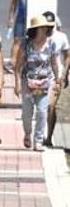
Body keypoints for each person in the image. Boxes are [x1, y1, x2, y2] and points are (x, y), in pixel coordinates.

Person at [14, 15, 61, 151]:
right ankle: (27, 134)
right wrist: (17, 84)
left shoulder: (51, 43)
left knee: (42, 111)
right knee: (27, 113)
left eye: (46, 27)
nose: (44, 29)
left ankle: (38, 140)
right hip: (27, 83)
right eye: (42, 27)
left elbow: (54, 63)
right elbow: (18, 66)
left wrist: (57, 80)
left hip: (45, 83)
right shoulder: (26, 44)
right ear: (36, 29)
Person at [43, 11, 70, 146]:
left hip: (55, 77)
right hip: (38, 77)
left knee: (50, 107)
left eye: (50, 25)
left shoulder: (61, 37)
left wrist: (65, 74)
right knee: (41, 108)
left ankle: (48, 137)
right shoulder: (37, 36)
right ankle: (39, 134)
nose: (48, 28)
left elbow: (67, 55)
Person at [7, 0, 27, 71]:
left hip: (34, 17)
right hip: (21, 17)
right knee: (17, 40)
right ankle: (13, 63)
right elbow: (14, 2)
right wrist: (11, 18)